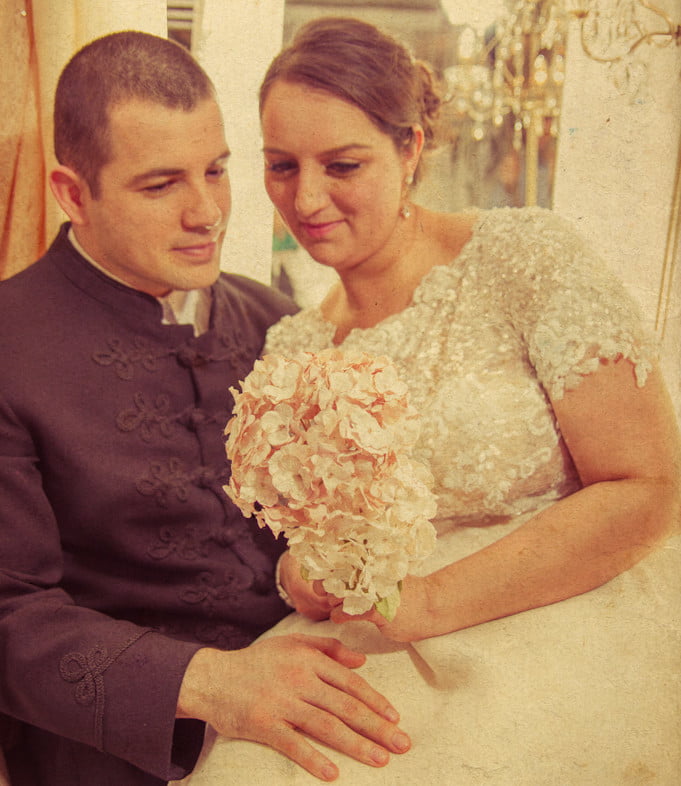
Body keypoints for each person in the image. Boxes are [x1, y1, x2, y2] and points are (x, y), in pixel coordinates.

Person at [176, 17, 681, 785]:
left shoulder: (525, 258)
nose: (305, 198)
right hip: (379, 646)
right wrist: (300, 578)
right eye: (281, 166)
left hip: (567, 615)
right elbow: (306, 545)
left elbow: (646, 488)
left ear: (410, 148)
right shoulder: (294, 346)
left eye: (342, 164)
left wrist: (430, 603)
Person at [0, 30, 413, 786]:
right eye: (160, 185)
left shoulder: (276, 320)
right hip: (113, 757)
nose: (206, 213)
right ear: (71, 193)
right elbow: (8, 613)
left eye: (217, 171)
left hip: (315, 714)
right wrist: (213, 685)